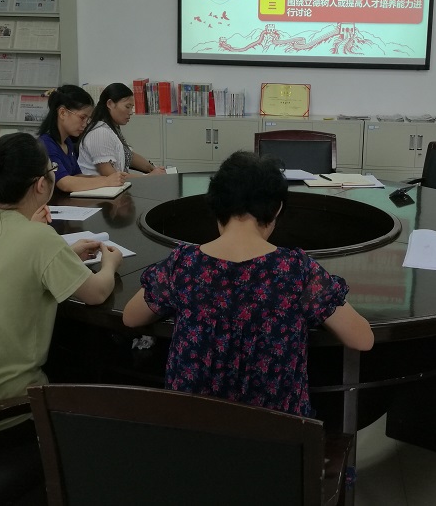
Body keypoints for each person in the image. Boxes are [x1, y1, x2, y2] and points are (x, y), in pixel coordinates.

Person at [123, 151, 373, 417]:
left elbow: (131, 317)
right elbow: (362, 338)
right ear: (277, 208)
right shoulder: (296, 270)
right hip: (275, 434)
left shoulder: (184, 264)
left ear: (215, 202)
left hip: (193, 429)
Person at [0, 132, 122, 435]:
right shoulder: (39, 238)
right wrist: (110, 264)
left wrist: (64, 254)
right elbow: (97, 293)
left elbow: (7, 260)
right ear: (41, 184)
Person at [37, 84, 128, 193]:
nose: (85, 124)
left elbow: (77, 175)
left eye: (88, 119)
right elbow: (64, 183)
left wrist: (109, 179)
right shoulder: (46, 144)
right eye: (82, 117)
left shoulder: (67, 142)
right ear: (62, 113)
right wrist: (106, 181)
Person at [79, 82, 166, 177]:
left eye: (131, 108)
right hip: (107, 185)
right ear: (110, 104)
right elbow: (112, 176)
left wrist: (153, 168)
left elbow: (129, 155)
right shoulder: (100, 133)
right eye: (127, 107)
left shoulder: (112, 127)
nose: (131, 112)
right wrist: (149, 177)